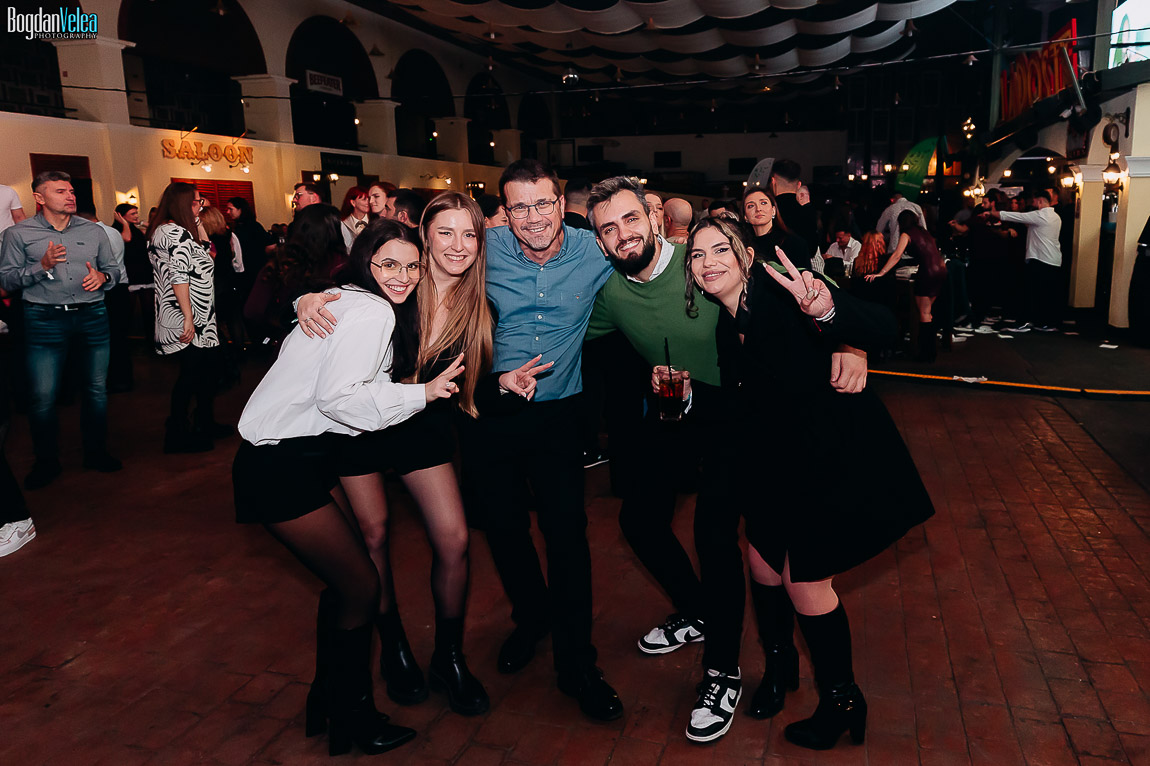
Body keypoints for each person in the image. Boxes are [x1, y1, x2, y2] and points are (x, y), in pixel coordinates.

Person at [685, 217, 934, 751]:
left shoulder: (783, 292)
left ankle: (843, 701)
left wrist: (828, 315)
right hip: (778, 461)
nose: (708, 262)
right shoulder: (727, 322)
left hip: (832, 455)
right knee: (760, 561)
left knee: (805, 582)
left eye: (720, 249)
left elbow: (881, 325)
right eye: (697, 255)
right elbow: (746, 398)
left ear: (745, 255)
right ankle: (781, 667)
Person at [233, 220, 462, 758]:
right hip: (279, 464)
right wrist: (422, 394)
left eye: (412, 265)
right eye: (389, 264)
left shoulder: (351, 299)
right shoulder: (372, 311)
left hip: (299, 457)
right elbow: (340, 400)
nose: (403, 276)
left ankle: (329, 703)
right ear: (365, 262)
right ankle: (354, 719)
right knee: (360, 587)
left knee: (345, 586)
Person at [296, 195, 500, 718]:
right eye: (446, 232)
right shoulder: (398, 279)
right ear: (424, 235)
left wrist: (505, 380)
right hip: (359, 424)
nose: (458, 246)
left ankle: (449, 658)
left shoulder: (480, 307)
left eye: (469, 234)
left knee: (454, 539)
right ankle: (394, 648)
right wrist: (306, 299)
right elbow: (338, 293)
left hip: (421, 425)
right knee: (373, 536)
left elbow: (472, 384)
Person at [470, 159, 622, 721]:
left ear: (562, 205)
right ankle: (532, 617)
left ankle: (577, 665)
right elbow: (408, 264)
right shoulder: (482, 248)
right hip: (490, 408)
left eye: (542, 204)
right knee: (503, 528)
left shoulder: (595, 250)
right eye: (520, 207)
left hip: (559, 415)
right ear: (504, 213)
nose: (533, 217)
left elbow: (659, 262)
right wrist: (310, 298)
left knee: (567, 538)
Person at [0, 170, 122, 489]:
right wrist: (41, 266)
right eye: (60, 191)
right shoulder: (19, 234)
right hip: (43, 319)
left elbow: (113, 271)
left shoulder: (93, 231)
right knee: (43, 395)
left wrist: (104, 278)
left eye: (71, 191)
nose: (70, 196)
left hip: (93, 315)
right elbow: (7, 279)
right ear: (39, 198)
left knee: (96, 389)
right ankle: (46, 462)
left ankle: (96, 453)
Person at [147, 182, 223, 453]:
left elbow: (207, 251)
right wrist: (189, 318)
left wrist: (197, 220)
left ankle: (203, 422)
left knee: (204, 373)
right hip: (186, 314)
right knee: (190, 376)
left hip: (199, 313)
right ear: (181, 203)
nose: (200, 206)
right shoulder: (172, 232)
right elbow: (178, 276)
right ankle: (177, 433)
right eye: (196, 201)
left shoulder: (178, 231)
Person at [244, 205, 345, 347]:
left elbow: (252, 311)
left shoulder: (281, 263)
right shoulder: (342, 264)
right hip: (334, 343)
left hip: (290, 343)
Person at [867, 211, 947, 361]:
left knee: (923, 313)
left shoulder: (906, 234)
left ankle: (926, 354)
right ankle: (929, 351)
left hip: (927, 271)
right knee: (928, 312)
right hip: (941, 270)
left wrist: (881, 272)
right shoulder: (924, 232)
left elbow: (897, 255)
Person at [985, 189, 1063, 332]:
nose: (1032, 204)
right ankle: (1045, 323)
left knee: (1031, 292)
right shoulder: (1056, 217)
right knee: (1046, 293)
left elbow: (1016, 216)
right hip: (1054, 259)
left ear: (1040, 201)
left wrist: (991, 213)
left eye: (1034, 201)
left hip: (1040, 258)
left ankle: (1025, 321)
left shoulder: (1040, 215)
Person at [77, 206, 132, 393]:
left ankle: (109, 381)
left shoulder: (91, 234)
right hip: (122, 288)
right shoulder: (113, 231)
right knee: (120, 337)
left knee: (105, 339)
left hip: (106, 288)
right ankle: (124, 379)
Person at [200, 206, 246, 366]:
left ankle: (224, 353)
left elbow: (214, 263)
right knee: (234, 320)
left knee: (215, 321)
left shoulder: (207, 240)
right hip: (230, 281)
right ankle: (239, 353)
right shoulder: (228, 235)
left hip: (216, 283)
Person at [114, 203, 154, 353]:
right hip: (130, 276)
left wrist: (140, 222)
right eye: (133, 214)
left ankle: (152, 343)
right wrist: (124, 223)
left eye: (136, 213)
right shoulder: (116, 231)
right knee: (127, 312)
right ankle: (123, 344)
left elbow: (153, 231)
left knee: (149, 312)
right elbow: (126, 238)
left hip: (144, 273)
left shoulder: (138, 231)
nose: (136, 216)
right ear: (121, 215)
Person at [743, 188, 811, 271]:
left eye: (763, 203)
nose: (758, 209)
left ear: (773, 210)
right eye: (751, 206)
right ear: (745, 216)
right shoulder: (742, 246)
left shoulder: (795, 243)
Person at [224, 197, 269, 293]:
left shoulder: (253, 226)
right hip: (247, 269)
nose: (227, 212)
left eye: (230, 209)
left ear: (240, 209)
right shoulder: (238, 227)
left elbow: (270, 245)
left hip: (253, 269)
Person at [875, 192, 927, 256]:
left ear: (893, 199)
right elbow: (924, 228)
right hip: (914, 249)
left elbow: (879, 229)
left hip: (895, 249)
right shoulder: (916, 207)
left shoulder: (890, 209)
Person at [340, 187, 371, 251]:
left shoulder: (375, 220)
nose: (368, 202)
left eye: (369, 199)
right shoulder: (343, 224)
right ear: (353, 202)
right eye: (364, 199)